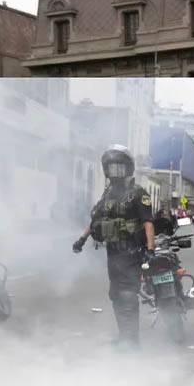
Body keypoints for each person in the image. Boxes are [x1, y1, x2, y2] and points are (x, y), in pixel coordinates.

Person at [72, 145, 155, 349]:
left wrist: (150, 250)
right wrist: (81, 240)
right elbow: (95, 220)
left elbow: (148, 222)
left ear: (128, 168)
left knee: (127, 294)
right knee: (116, 294)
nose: (114, 171)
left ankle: (132, 341)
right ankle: (124, 335)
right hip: (113, 253)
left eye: (119, 167)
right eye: (111, 167)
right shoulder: (108, 194)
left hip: (132, 252)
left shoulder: (138, 193)